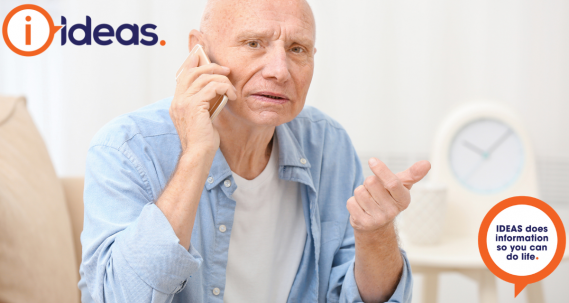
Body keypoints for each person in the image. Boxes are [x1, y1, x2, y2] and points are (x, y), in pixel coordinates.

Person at [78, 0, 431, 302]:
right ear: (198, 51)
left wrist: (376, 235)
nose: (279, 71)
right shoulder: (126, 148)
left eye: (297, 49)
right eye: (253, 43)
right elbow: (117, 296)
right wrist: (197, 155)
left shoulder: (328, 145)